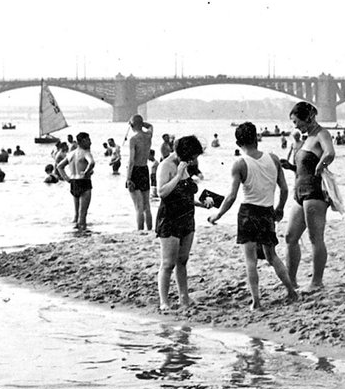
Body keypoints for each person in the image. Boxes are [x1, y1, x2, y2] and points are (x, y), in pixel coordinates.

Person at [208, 122, 297, 310]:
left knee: (251, 260)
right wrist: (279, 209)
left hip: (248, 212)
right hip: (267, 212)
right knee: (272, 256)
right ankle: (291, 290)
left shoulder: (240, 164)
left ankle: (256, 300)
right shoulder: (273, 158)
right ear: (256, 137)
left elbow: (231, 197)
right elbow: (284, 188)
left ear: (238, 142)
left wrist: (217, 215)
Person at [155, 135, 213, 310]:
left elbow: (186, 196)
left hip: (187, 216)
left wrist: (202, 203)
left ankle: (184, 298)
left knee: (182, 260)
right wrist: (179, 174)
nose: (195, 160)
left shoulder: (187, 165)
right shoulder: (166, 165)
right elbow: (162, 192)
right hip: (170, 218)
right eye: (193, 156)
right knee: (168, 263)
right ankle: (164, 301)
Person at [285, 102, 335, 294]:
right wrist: (289, 167)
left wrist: (321, 165)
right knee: (290, 236)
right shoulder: (307, 139)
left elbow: (330, 152)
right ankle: (291, 280)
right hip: (300, 191)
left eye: (297, 122)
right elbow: (302, 166)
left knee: (315, 238)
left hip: (314, 192)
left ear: (309, 118)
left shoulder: (322, 133)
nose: (296, 126)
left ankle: (317, 281)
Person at [57, 131, 95, 230]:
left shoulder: (70, 154)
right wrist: (87, 172)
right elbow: (92, 163)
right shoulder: (86, 153)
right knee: (83, 213)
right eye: (89, 140)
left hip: (73, 182)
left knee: (76, 214)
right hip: (83, 181)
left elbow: (59, 166)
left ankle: (75, 231)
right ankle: (82, 232)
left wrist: (66, 178)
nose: (90, 143)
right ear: (83, 141)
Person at [125, 115, 154, 231]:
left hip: (136, 170)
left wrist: (128, 178)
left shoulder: (133, 139)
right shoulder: (148, 135)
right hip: (145, 169)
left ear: (132, 125)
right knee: (147, 205)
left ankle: (140, 230)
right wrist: (141, 123)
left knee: (138, 206)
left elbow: (131, 161)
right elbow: (150, 126)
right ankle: (150, 230)